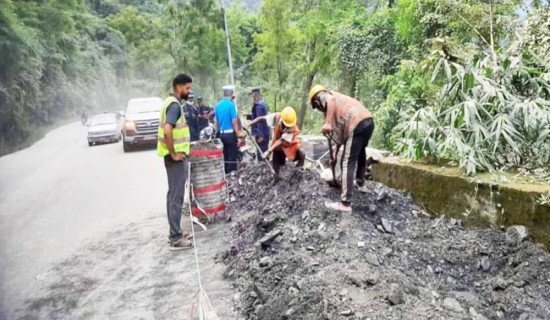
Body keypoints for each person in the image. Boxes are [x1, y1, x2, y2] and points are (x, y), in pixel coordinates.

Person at [309, 84, 375, 214]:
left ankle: (345, 204)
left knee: (347, 162)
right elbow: (341, 133)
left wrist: (327, 123)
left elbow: (330, 100)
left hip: (356, 123)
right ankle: (361, 184)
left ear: (317, 102)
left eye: (317, 107)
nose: (320, 110)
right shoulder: (341, 102)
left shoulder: (326, 97)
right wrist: (335, 151)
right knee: (360, 152)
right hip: (368, 121)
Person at [157, 73, 193, 250]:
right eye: (187, 87)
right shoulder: (174, 106)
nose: (189, 91)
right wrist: (173, 154)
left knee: (173, 195)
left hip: (173, 159)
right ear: (178, 87)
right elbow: (168, 131)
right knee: (176, 197)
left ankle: (175, 233)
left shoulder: (169, 103)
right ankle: (176, 238)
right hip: (175, 160)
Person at [261, 106, 305, 179]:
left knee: (302, 154)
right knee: (276, 170)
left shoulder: (293, 129)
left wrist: (269, 151)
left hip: (290, 145)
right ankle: (277, 180)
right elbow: (262, 118)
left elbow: (281, 140)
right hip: (278, 148)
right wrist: (250, 124)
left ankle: (297, 175)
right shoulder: (278, 117)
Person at [214, 85, 244, 174]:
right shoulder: (231, 105)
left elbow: (216, 122)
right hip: (230, 134)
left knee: (225, 155)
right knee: (232, 155)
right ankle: (231, 174)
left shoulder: (217, 106)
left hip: (221, 135)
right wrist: (238, 134)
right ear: (231, 94)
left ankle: (225, 173)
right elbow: (234, 122)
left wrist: (217, 133)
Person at [244, 87, 270, 161]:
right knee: (263, 152)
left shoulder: (259, 105)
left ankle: (264, 169)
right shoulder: (262, 102)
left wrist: (260, 135)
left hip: (262, 134)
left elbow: (260, 119)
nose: (252, 95)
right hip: (264, 132)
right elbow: (256, 116)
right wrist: (247, 115)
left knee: (261, 154)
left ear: (255, 94)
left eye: (252, 94)